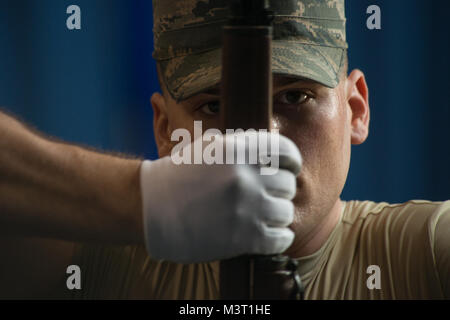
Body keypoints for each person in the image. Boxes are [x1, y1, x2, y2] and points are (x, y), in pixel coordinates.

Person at [0, 0, 448, 299]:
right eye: (213, 106)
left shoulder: (421, 254)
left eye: (296, 97)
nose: (265, 138)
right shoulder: (104, 266)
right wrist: (141, 201)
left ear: (356, 109)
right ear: (164, 129)